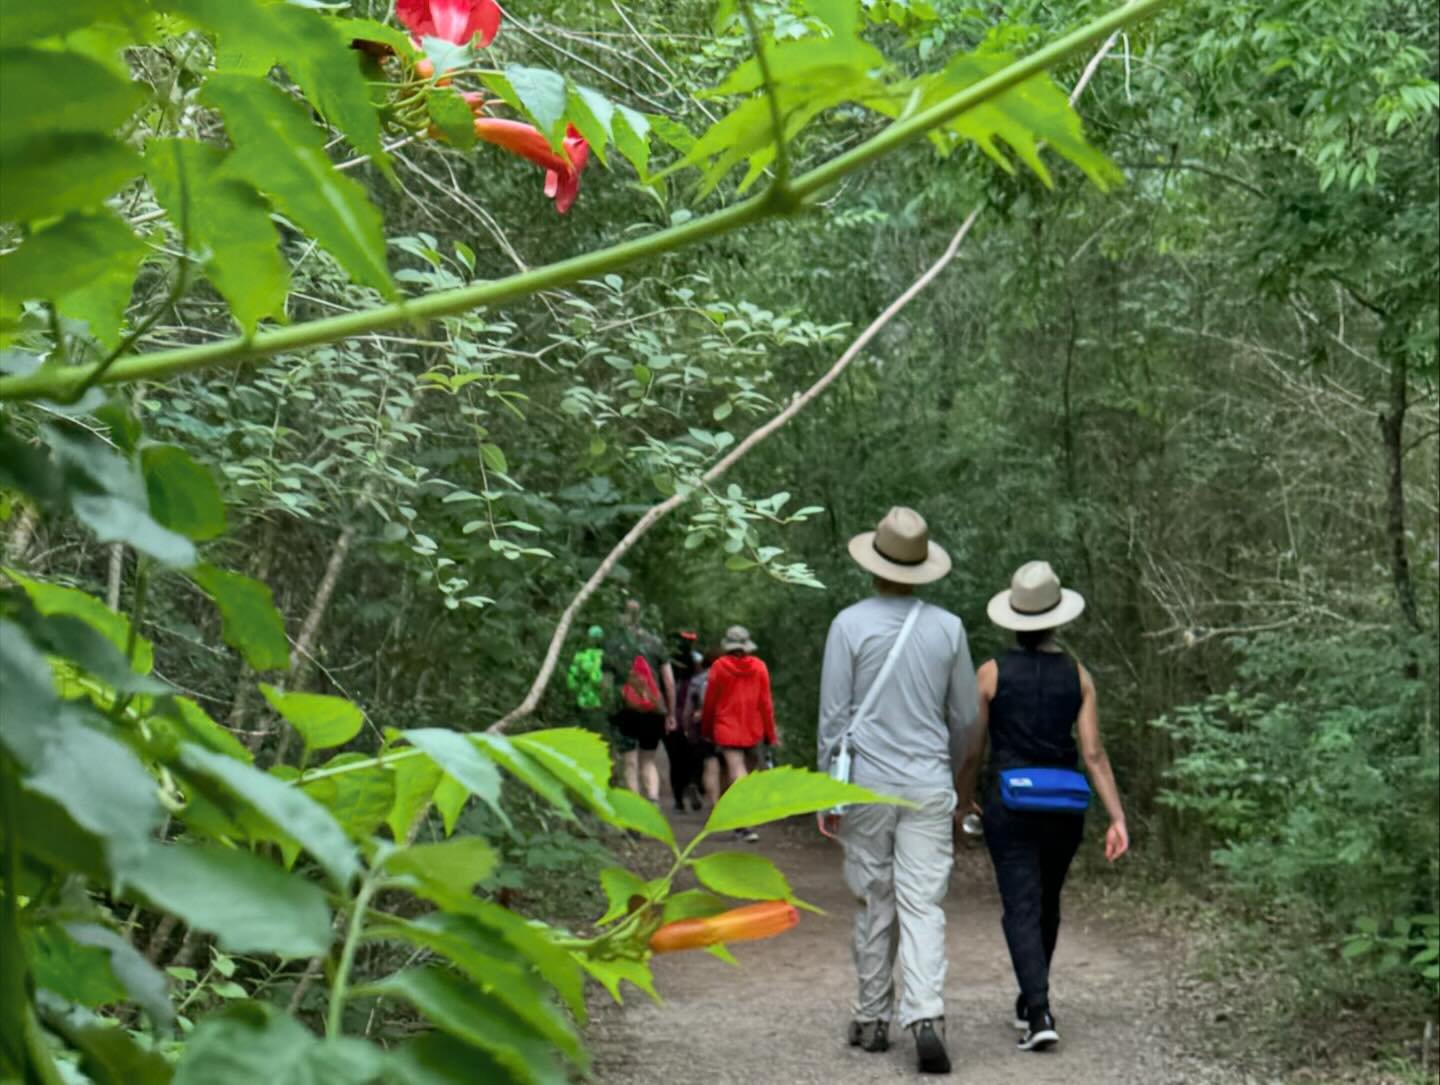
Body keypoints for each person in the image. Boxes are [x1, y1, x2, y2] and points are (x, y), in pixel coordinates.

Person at [816, 506, 977, 1075]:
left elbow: (835, 718)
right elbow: (965, 717)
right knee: (923, 903)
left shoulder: (848, 625)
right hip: (929, 781)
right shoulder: (949, 629)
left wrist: (825, 792)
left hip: (866, 784)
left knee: (874, 896)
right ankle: (926, 1015)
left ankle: (870, 1016)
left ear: (874, 565)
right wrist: (951, 772)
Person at [954, 560, 1129, 1053]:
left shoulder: (989, 673)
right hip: (1065, 807)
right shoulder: (1079, 675)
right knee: (1047, 903)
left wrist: (963, 798)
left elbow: (972, 747)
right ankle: (1033, 1000)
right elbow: (1093, 752)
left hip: (1011, 806)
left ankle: (1037, 1011)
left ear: (1013, 618)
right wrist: (1116, 816)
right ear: (1057, 619)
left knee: (1020, 907)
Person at [700, 625, 777, 842]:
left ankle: (736, 820)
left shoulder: (719, 667)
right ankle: (743, 823)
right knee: (743, 773)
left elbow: (710, 702)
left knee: (736, 773)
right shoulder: (760, 667)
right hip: (753, 728)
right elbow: (766, 704)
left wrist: (706, 728)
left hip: (726, 728)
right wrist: (771, 734)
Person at [604, 599, 676, 803]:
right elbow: (669, 682)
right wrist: (670, 713)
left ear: (621, 616)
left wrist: (608, 709)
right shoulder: (655, 643)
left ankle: (636, 812)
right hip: (653, 709)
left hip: (624, 710)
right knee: (648, 760)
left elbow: (605, 685)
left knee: (630, 762)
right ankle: (653, 798)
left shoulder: (612, 645)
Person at [662, 632, 704, 813]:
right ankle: (693, 782)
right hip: (692, 719)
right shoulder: (696, 665)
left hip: (671, 718)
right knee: (694, 757)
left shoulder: (667, 663)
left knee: (675, 760)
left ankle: (679, 800)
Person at [685, 651, 722, 809]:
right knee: (729, 765)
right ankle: (728, 803)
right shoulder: (731, 677)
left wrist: (687, 727)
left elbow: (688, 708)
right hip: (729, 725)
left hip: (705, 726)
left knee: (710, 764)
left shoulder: (697, 680)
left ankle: (714, 805)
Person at [564, 625, 609, 730]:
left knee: (584, 730)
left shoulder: (579, 656)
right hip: (596, 702)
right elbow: (596, 679)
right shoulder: (600, 656)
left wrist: (578, 690)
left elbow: (571, 681)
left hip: (581, 702)